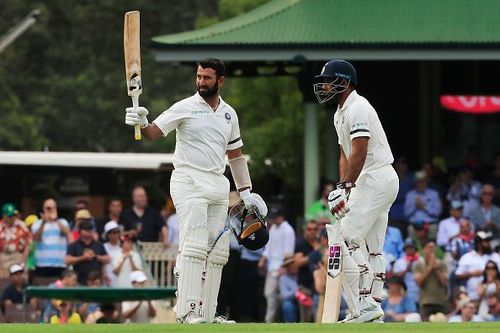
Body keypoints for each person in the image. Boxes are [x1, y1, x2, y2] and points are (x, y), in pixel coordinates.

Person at [124, 58, 267, 324]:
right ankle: (186, 311)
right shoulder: (186, 106)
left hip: (217, 183)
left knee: (217, 250)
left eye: (207, 78)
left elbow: (235, 156)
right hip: (188, 179)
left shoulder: (229, 114)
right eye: (199, 77)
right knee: (194, 246)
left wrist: (246, 192)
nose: (201, 82)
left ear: (220, 81)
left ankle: (207, 314)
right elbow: (155, 131)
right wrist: (142, 122)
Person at [313, 59, 399, 322]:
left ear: (345, 82)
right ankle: (372, 307)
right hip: (375, 179)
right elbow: (345, 154)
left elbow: (360, 152)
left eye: (329, 80)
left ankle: (364, 306)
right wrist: (343, 188)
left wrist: (348, 185)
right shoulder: (340, 113)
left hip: (374, 176)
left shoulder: (359, 107)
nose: (325, 85)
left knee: (345, 239)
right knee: (372, 248)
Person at [258, 205, 295, 323]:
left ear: (282, 216)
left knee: (283, 296)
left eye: (277, 217)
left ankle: (273, 320)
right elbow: (268, 248)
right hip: (272, 267)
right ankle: (272, 320)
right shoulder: (273, 228)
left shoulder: (288, 230)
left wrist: (284, 268)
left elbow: (289, 251)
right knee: (269, 294)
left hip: (281, 267)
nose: (274, 219)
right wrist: (263, 260)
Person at [32, 198, 70, 282]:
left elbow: (67, 232)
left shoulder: (62, 222)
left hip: (60, 264)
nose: (51, 210)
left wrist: (56, 220)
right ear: (43, 209)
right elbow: (36, 239)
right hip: (42, 264)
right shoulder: (37, 224)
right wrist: (43, 222)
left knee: (59, 292)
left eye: (53, 208)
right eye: (48, 208)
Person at [65, 220, 110, 285]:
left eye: (90, 229)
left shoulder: (98, 245)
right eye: (86, 229)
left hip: (96, 282)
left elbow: (107, 259)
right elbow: (67, 260)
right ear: (80, 231)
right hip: (79, 282)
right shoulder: (74, 245)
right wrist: (83, 258)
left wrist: (95, 256)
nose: (89, 231)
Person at [413, 240, 449, 321]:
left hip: (440, 301)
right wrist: (429, 268)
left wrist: (436, 269)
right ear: (424, 250)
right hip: (426, 302)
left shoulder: (442, 264)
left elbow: (444, 282)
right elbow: (419, 283)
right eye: (429, 247)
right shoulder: (419, 265)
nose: (432, 250)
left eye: (433, 247)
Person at [0, 203, 30, 278]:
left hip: (18, 256)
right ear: (4, 216)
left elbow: (28, 245)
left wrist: (23, 262)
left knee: (22, 279)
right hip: (4, 257)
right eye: (10, 216)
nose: (12, 218)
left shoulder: (22, 226)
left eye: (14, 215)